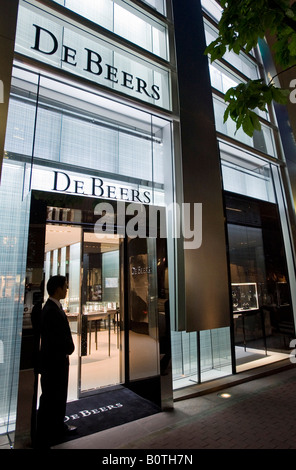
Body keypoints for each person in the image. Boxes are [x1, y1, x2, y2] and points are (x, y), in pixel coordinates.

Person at [36, 275, 76, 448]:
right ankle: (55, 428)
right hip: (56, 362)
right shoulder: (52, 310)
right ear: (57, 288)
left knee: (51, 396)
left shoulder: (51, 308)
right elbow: (57, 338)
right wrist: (69, 347)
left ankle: (49, 427)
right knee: (55, 395)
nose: (67, 289)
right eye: (65, 286)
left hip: (53, 362)